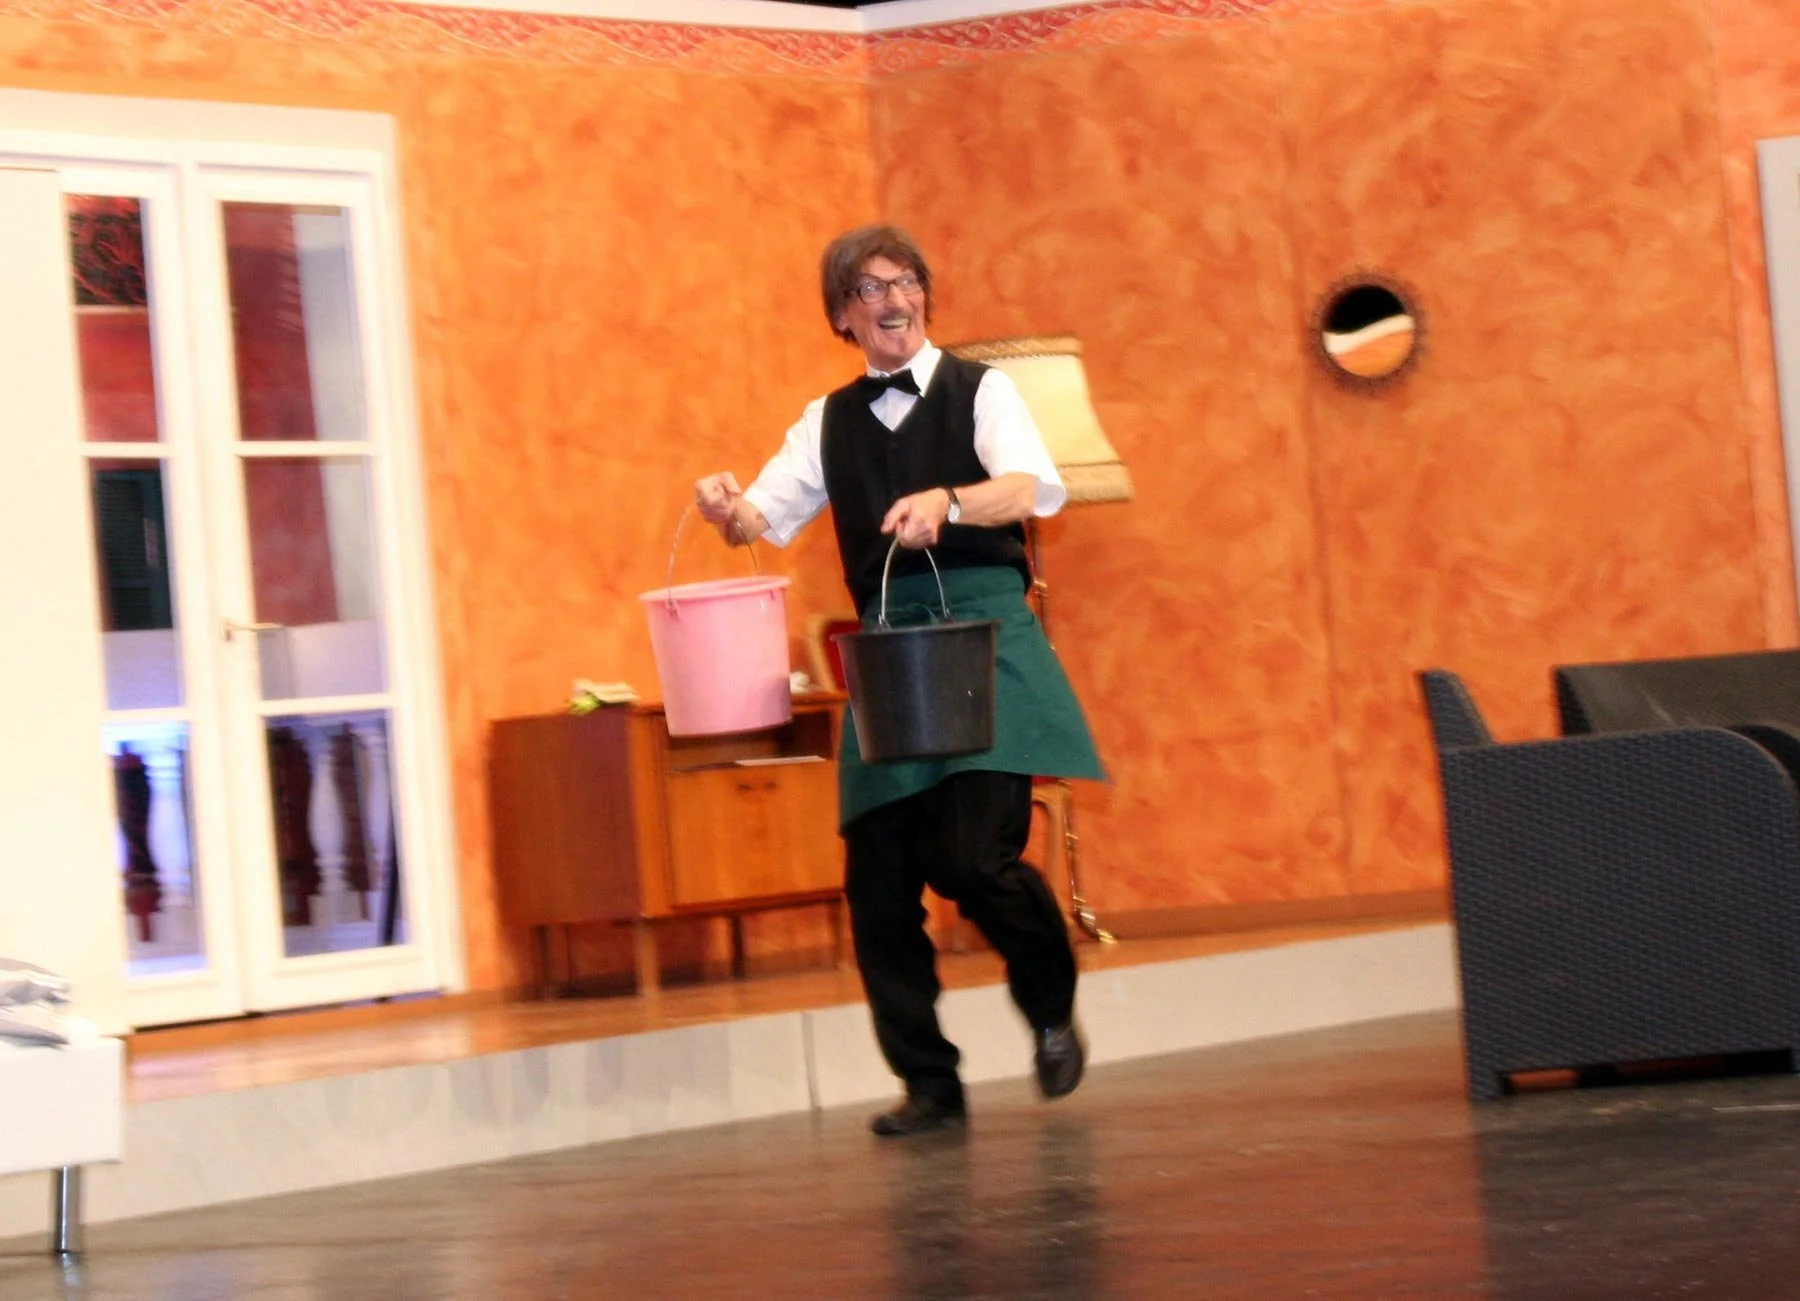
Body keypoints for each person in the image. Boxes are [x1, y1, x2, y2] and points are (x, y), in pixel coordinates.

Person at [694, 225, 1105, 1138]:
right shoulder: (825, 420)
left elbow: (1032, 487)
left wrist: (949, 502)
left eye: (906, 280)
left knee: (971, 862)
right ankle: (929, 1083)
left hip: (984, 639)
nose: (894, 299)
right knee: (878, 883)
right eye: (871, 288)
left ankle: (1049, 1008)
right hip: (891, 654)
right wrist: (726, 508)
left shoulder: (982, 390)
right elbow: (760, 516)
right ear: (842, 315)